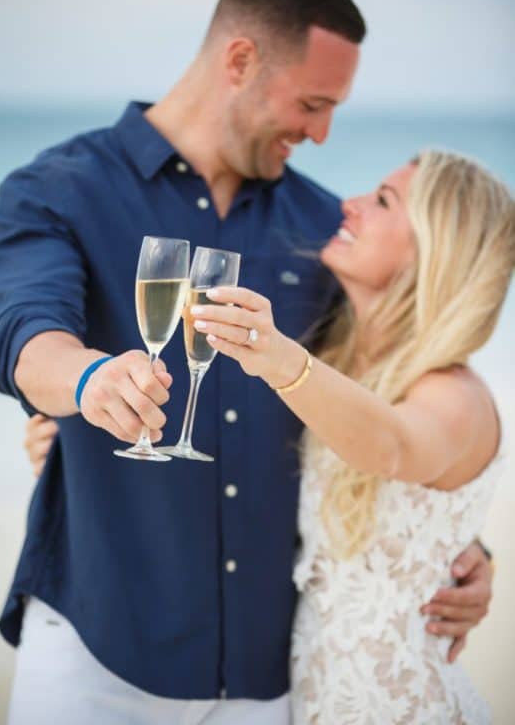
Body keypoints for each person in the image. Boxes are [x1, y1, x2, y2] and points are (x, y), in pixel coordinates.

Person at [0, 0, 492, 725]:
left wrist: (456, 549)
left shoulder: (328, 230)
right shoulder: (60, 189)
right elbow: (27, 332)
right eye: (312, 103)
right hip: (95, 649)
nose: (321, 135)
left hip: (269, 671)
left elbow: (394, 384)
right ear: (241, 60)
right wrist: (88, 384)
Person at [188, 151, 514, 722]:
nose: (350, 204)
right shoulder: (341, 359)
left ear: (432, 249)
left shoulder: (455, 395)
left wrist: (275, 355)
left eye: (383, 200)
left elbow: (390, 449)